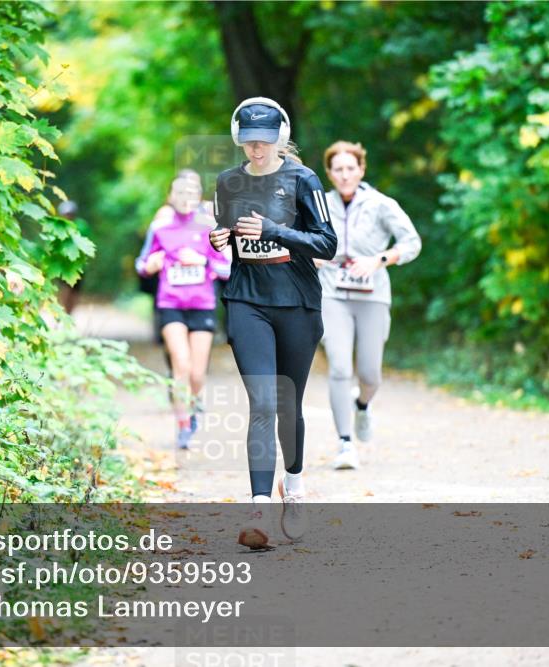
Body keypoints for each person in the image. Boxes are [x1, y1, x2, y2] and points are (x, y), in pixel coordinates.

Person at [208, 97, 337, 548]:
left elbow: (326, 244)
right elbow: (229, 238)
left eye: (264, 142)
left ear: (280, 138)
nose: (256, 150)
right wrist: (218, 239)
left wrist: (273, 231)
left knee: (288, 404)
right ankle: (258, 510)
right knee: (263, 400)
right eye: (248, 142)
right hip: (248, 300)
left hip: (297, 301)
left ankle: (295, 487)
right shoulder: (227, 182)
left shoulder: (303, 179)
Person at [317, 141, 421, 470]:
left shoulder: (380, 204)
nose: (345, 175)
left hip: (372, 295)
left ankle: (362, 405)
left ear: (361, 169)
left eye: (351, 168)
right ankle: (345, 443)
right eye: (338, 169)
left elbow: (412, 242)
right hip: (332, 292)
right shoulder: (319, 205)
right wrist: (312, 255)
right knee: (338, 367)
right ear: (330, 174)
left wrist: (380, 259)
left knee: (370, 373)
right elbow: (302, 239)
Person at [137, 176, 231, 449]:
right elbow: (142, 264)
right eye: (179, 191)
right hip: (171, 304)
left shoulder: (210, 227)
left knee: (197, 374)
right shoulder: (160, 227)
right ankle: (182, 424)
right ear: (170, 195)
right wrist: (149, 266)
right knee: (181, 363)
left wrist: (202, 261)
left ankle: (194, 401)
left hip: (202, 305)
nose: (185, 196)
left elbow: (227, 268)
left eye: (191, 191)